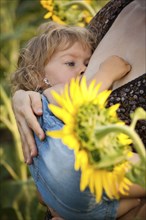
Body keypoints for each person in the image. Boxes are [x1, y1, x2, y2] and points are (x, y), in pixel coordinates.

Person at [12, 0, 146, 219]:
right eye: (70, 64)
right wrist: (106, 72)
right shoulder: (49, 95)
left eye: (87, 62)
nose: (84, 69)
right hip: (78, 180)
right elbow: (83, 97)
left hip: (66, 199)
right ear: (38, 76)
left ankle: (123, 208)